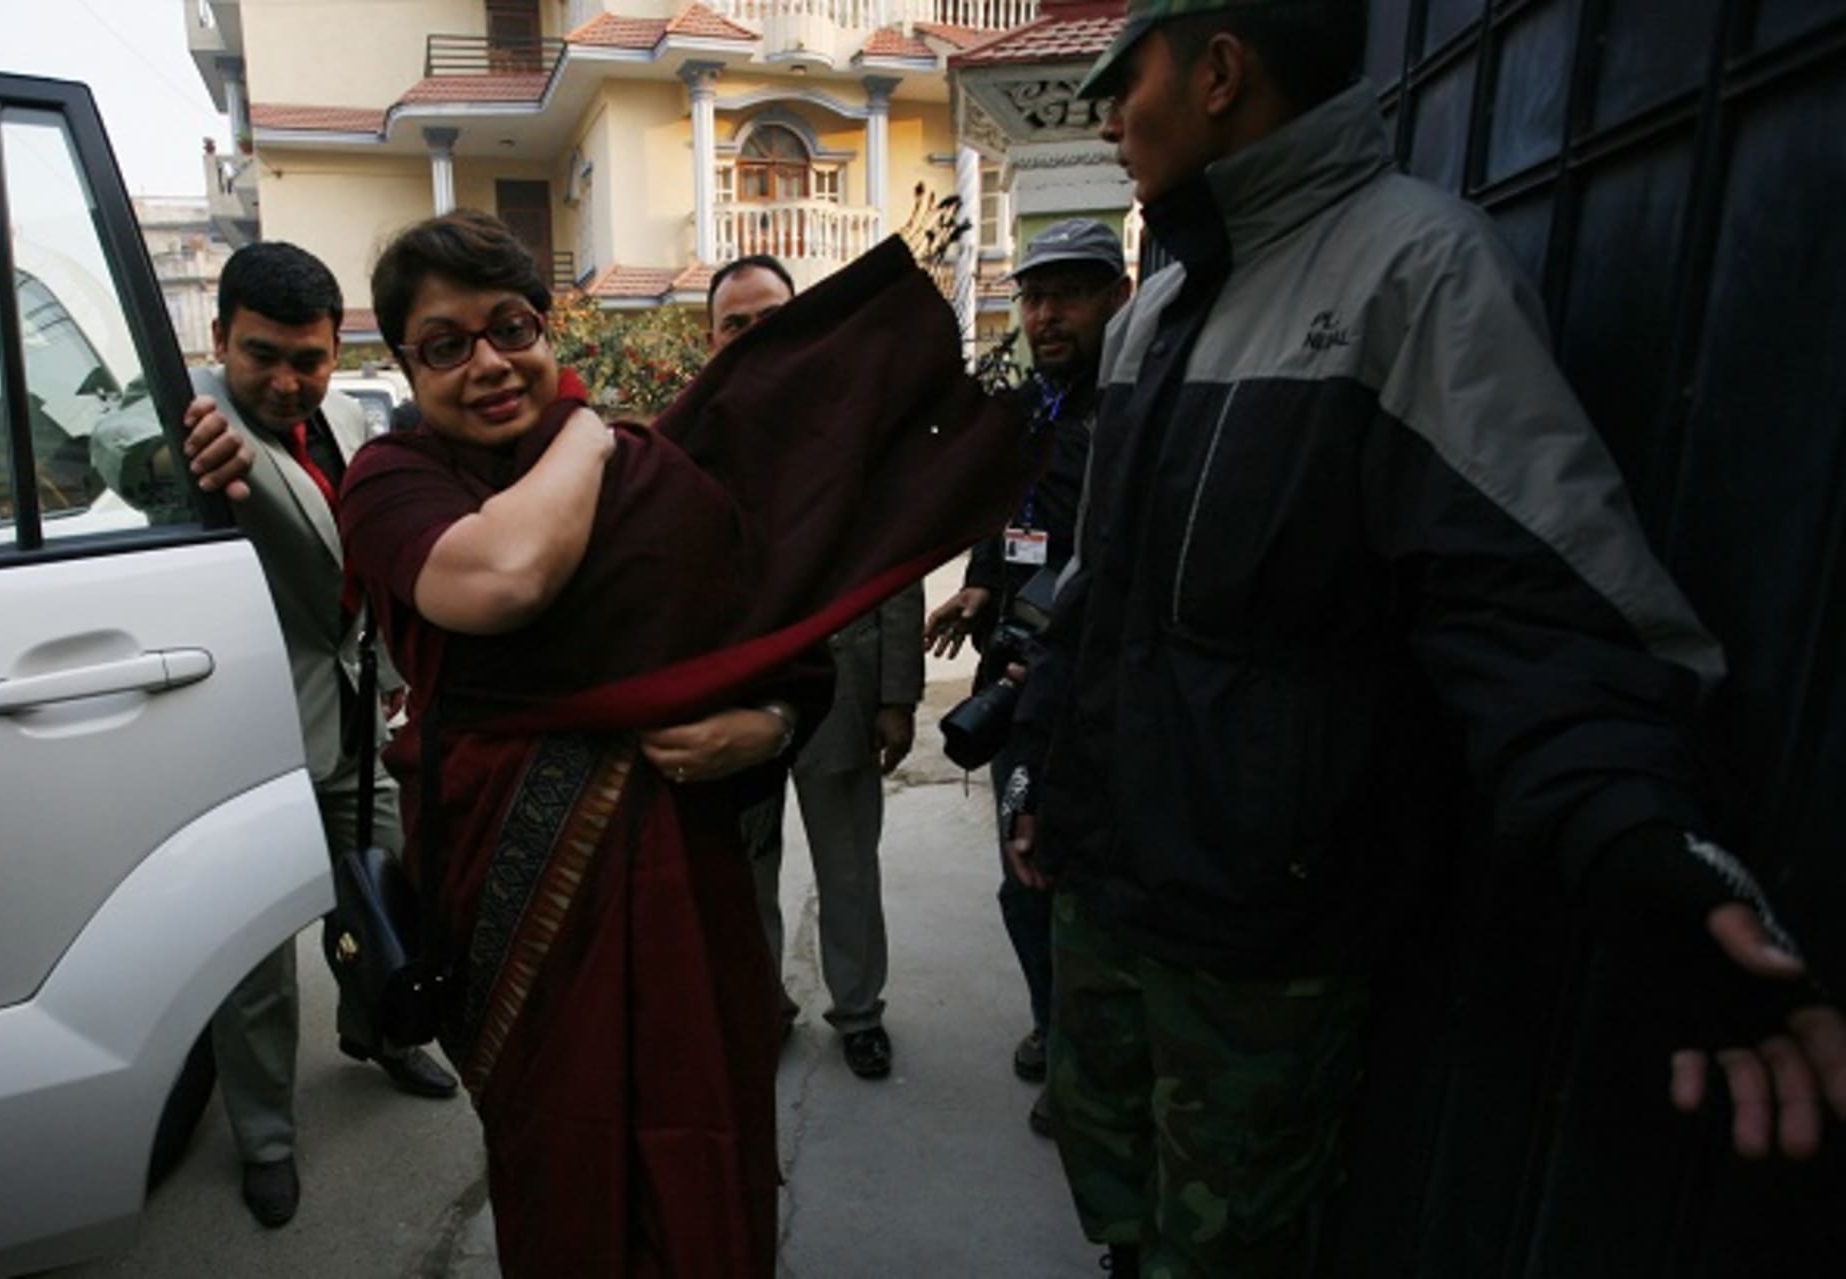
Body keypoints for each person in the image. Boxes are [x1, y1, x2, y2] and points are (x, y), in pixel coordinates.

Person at [999, 3, 1846, 1275]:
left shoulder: (1418, 273)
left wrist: (1644, 846)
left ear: (1220, 70)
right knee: (1118, 1211)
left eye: (1124, 80)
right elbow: (1101, 596)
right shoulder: (1152, 313)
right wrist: (1045, 769)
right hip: (1109, 897)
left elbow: (1537, 606)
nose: (1105, 115)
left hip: (1260, 950)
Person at [334, 212, 1043, 1276]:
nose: (487, 363)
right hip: (507, 880)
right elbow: (502, 579)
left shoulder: (656, 476)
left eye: (511, 328)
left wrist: (767, 724)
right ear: (405, 363)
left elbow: (772, 644)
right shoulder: (394, 480)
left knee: (699, 1128)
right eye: (445, 344)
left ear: (547, 328)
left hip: (678, 877)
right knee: (557, 1151)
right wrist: (582, 429)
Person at [192, 243, 459, 1228]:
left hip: (359, 714)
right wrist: (165, 453)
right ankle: (265, 1137)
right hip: (245, 744)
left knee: (391, 895)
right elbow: (115, 445)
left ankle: (380, 1033)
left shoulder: (345, 414)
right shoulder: (196, 421)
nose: (287, 380)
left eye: (308, 357)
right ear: (218, 339)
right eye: (261, 355)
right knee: (256, 963)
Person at [924, 218, 1130, 1134]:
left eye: (1071, 295)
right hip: (1015, 670)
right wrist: (978, 586)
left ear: (1118, 299)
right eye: (1035, 297)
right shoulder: (1037, 406)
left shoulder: (1126, 410)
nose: (1046, 316)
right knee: (1023, 874)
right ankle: (1057, 1028)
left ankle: (1086, 1066)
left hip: (1087, 690)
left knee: (1063, 875)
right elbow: (1010, 513)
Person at [709, 255, 923, 1080]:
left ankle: (859, 1010)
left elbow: (894, 568)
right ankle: (762, 1007)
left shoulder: (855, 432)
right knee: (743, 876)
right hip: (740, 704)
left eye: (773, 317)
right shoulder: (700, 439)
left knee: (846, 867)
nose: (756, 336)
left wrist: (897, 694)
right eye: (738, 323)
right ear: (713, 339)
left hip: (842, 690)